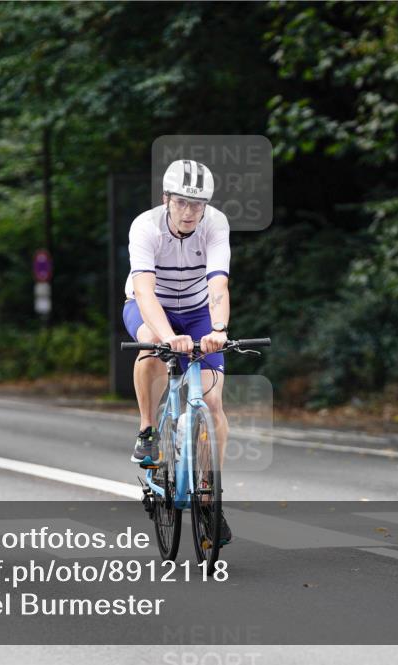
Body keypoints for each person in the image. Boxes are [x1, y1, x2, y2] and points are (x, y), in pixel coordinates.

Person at [122, 159, 232, 544]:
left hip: (199, 310)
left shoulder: (215, 224)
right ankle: (148, 429)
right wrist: (167, 336)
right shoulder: (145, 226)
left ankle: (207, 491)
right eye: (182, 203)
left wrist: (218, 328)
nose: (189, 212)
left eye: (197, 205)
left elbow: (218, 284)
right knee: (152, 350)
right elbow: (145, 291)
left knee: (213, 403)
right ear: (166, 198)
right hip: (151, 305)